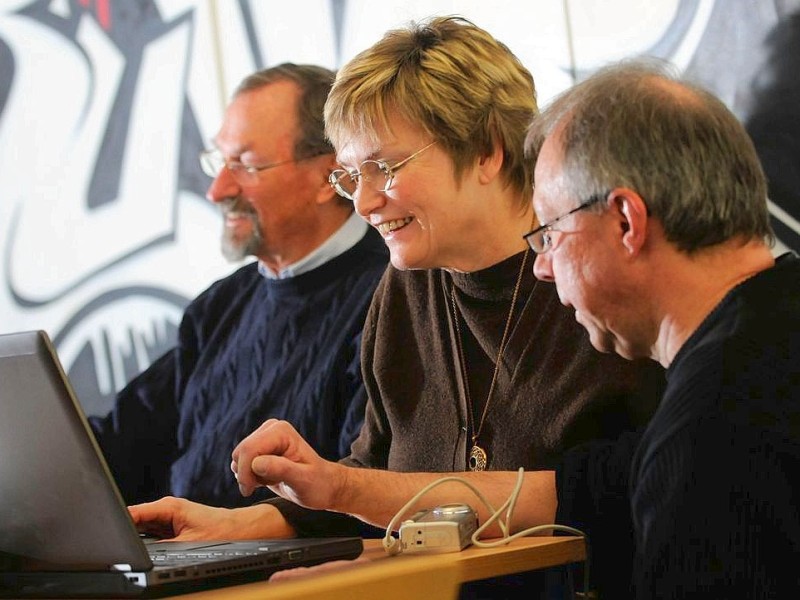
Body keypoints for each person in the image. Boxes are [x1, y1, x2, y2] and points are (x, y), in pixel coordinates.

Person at [205, 59, 800, 598]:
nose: (542, 262)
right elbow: (573, 491)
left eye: (551, 231)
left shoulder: (717, 421)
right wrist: (330, 491)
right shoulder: (746, 352)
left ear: (626, 221)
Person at [131, 18, 664, 593]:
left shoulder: (597, 274)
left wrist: (344, 495)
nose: (362, 203)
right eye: (349, 176)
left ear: (487, 152)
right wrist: (236, 526)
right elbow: (378, 479)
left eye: (383, 168)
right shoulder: (405, 286)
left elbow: (635, 489)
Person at [89, 63, 389, 509]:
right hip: (186, 562)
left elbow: (364, 482)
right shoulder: (217, 307)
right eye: (219, 161)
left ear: (330, 177)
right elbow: (117, 445)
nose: (217, 190)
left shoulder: (393, 296)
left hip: (297, 576)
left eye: (244, 165)